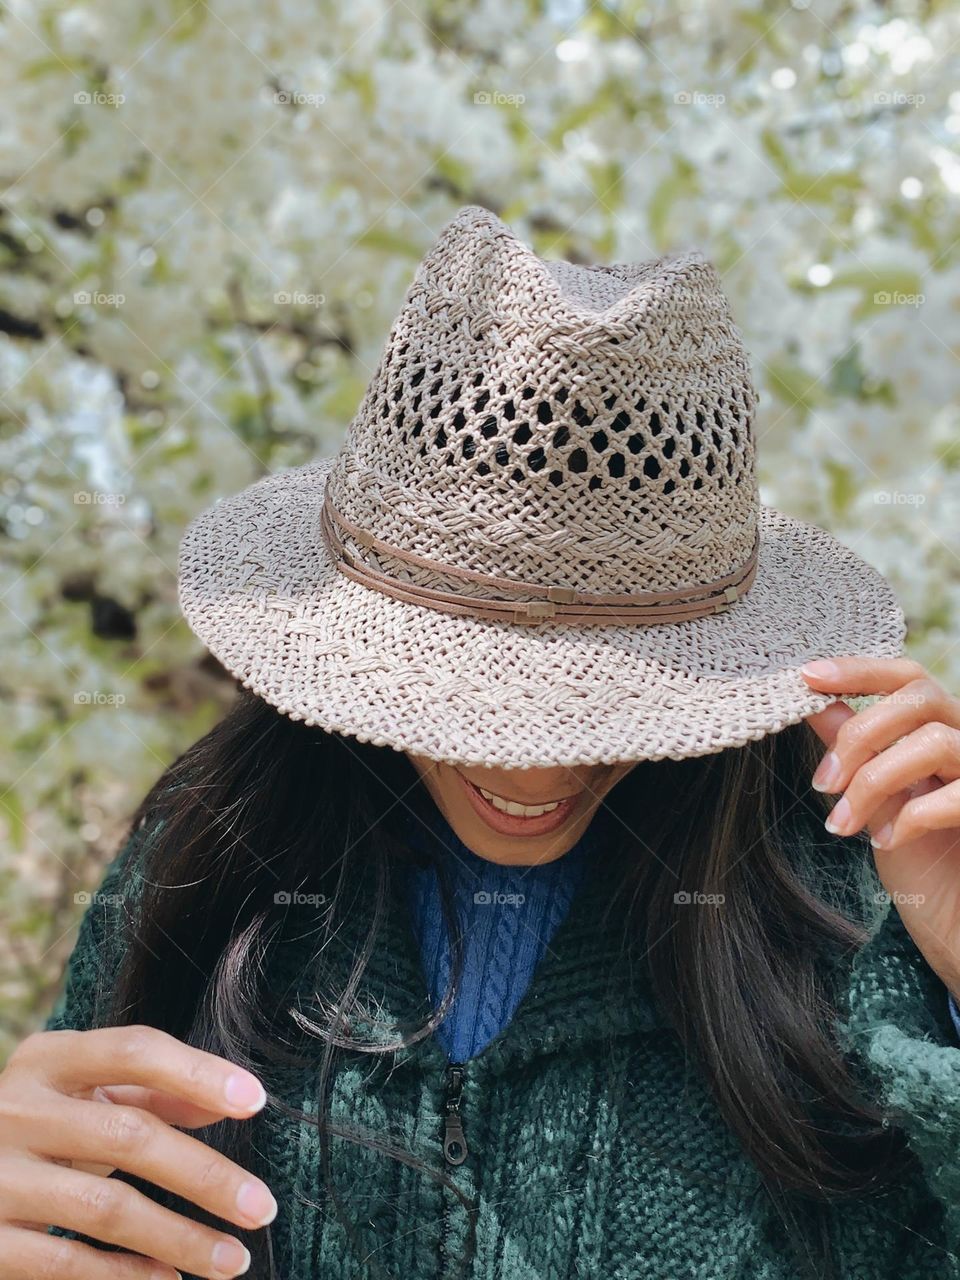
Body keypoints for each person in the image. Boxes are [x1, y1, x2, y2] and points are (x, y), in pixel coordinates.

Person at [2, 206, 960, 1280]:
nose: (531, 768)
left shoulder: (856, 904)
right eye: (468, 697)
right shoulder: (207, 854)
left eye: (603, 706)